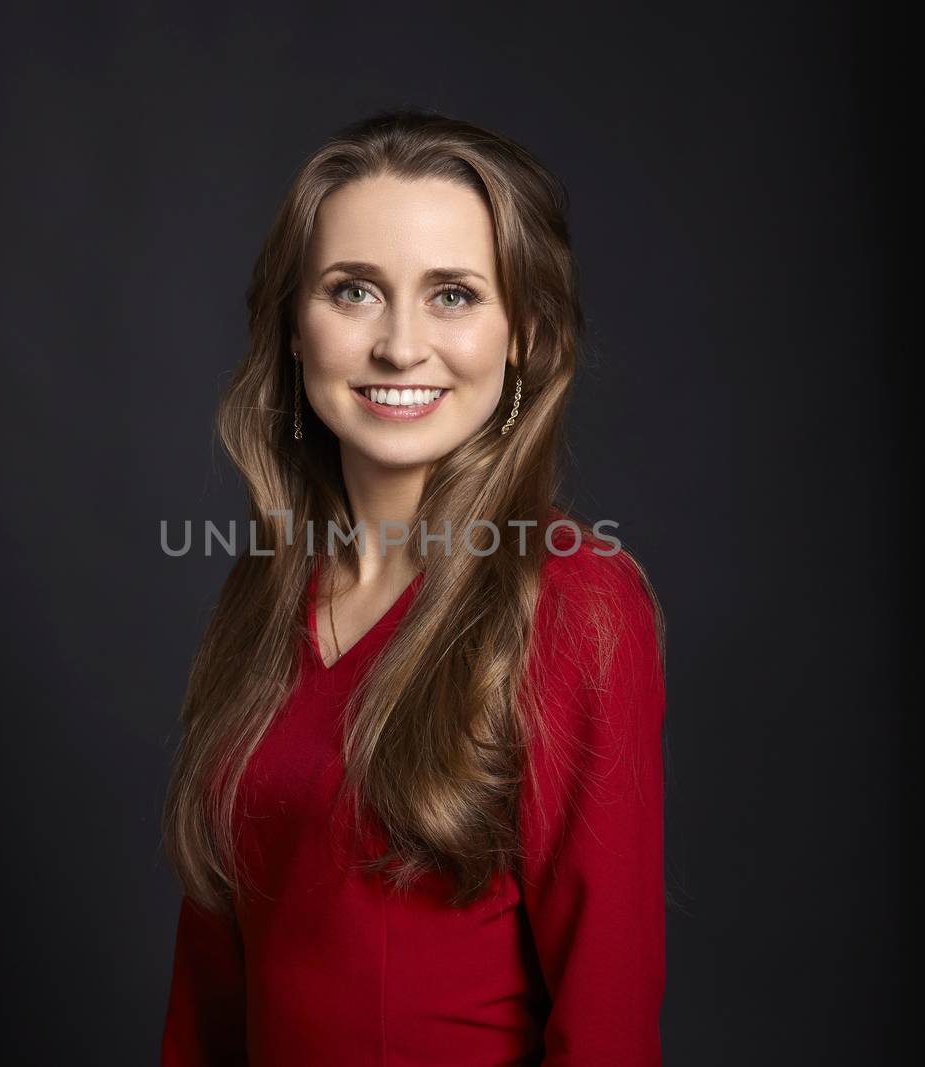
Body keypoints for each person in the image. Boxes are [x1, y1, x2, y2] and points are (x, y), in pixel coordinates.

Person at [159, 108, 668, 1066]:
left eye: (452, 295)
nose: (399, 345)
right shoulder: (264, 592)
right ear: (293, 324)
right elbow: (209, 989)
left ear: (523, 331)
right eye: (354, 291)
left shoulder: (575, 601)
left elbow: (608, 1016)